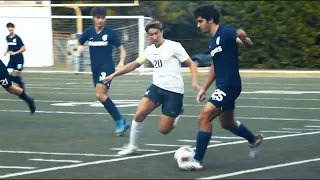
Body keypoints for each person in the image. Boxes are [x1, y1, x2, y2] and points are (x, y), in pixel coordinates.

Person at [178, 4, 264, 170]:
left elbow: (247, 43)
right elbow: (215, 67)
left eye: (200, 21)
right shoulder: (212, 41)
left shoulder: (225, 32)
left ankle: (197, 160)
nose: (198, 25)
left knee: (204, 116)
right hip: (223, 84)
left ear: (210, 20)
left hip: (229, 84)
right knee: (227, 123)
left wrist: (245, 38)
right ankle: (254, 139)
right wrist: (204, 87)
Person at [103, 20, 201, 156]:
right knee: (139, 114)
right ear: (148, 35)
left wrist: (195, 83)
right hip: (156, 88)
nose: (154, 37)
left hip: (174, 92)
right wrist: (114, 74)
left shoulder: (174, 46)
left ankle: (178, 112)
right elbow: (134, 64)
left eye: (156, 33)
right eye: (151, 35)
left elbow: (192, 64)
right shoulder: (149, 50)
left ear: (162, 32)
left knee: (164, 130)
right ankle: (133, 146)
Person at [77, 7, 129, 136]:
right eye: (98, 17)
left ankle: (120, 120)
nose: (101, 20)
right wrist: (77, 48)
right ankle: (121, 121)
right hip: (95, 69)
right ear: (93, 18)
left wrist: (121, 61)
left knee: (99, 95)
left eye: (103, 17)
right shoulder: (88, 32)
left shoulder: (110, 33)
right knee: (103, 97)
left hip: (107, 68)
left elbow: (122, 50)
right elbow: (77, 45)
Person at [4, 22, 27, 90]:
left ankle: (22, 88)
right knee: (7, 75)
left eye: (11, 29)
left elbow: (24, 48)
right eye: (9, 29)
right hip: (11, 60)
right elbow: (9, 46)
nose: (10, 31)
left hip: (19, 59)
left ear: (14, 28)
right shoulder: (7, 37)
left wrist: (15, 53)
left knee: (17, 74)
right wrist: (6, 51)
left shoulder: (17, 38)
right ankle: (20, 82)